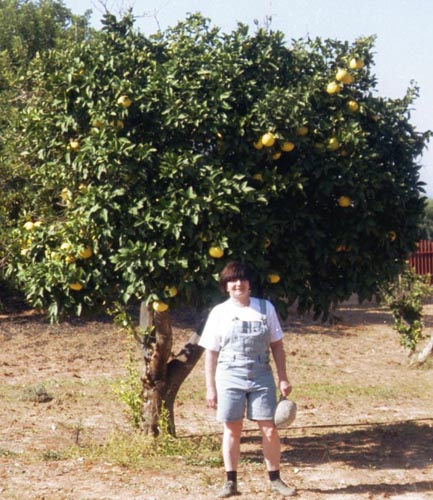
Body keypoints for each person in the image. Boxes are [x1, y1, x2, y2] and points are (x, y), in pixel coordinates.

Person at [199, 261, 296, 498]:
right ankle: (230, 482)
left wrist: (283, 378)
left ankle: (275, 479)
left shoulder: (265, 308)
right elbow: (211, 353)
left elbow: (277, 345)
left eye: (242, 279)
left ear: (249, 283)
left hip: (261, 374)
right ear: (225, 286)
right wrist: (210, 387)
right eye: (232, 280)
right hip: (229, 374)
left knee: (270, 429)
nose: (238, 284)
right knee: (232, 429)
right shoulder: (219, 312)